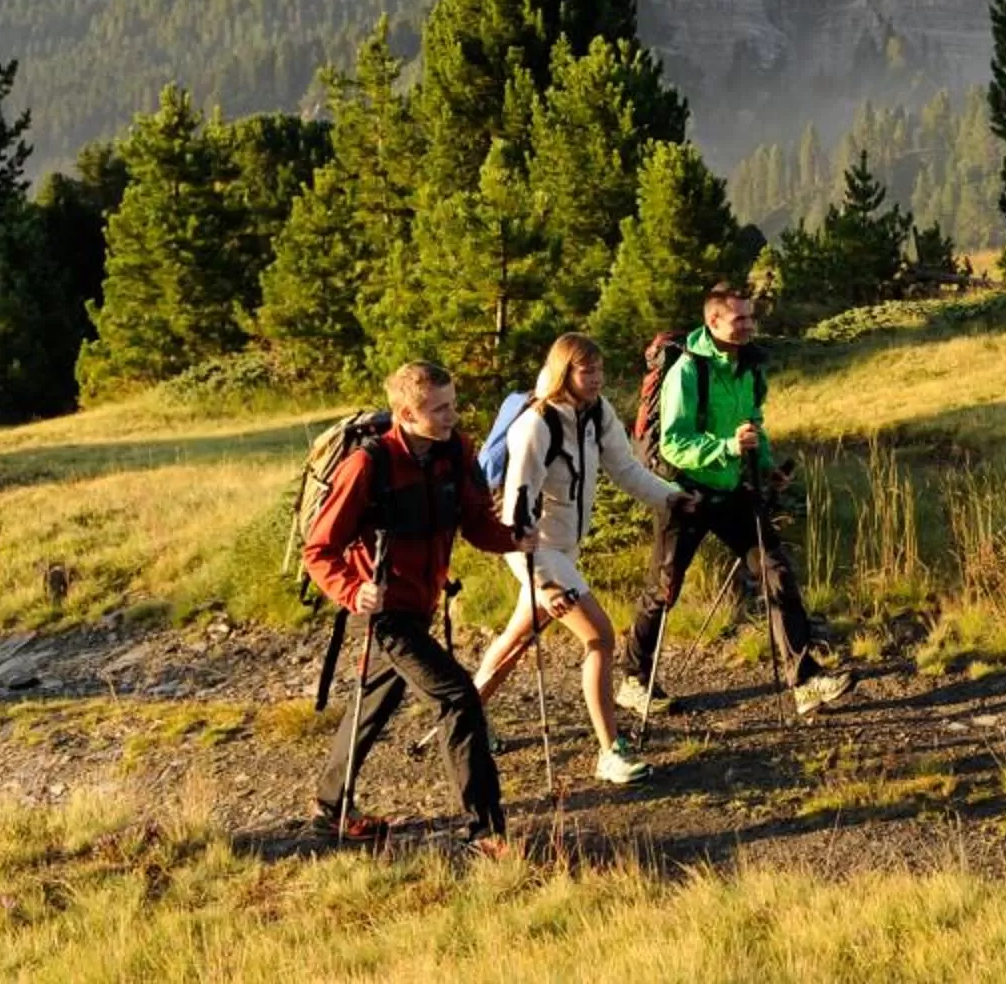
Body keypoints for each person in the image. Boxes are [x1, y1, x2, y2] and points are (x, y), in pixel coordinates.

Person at [302, 359, 523, 854]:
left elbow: (475, 524)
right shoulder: (367, 465)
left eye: (453, 404)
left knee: (375, 701)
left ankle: (329, 808)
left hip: (421, 603)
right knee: (457, 697)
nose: (452, 416)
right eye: (439, 409)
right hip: (382, 610)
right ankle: (485, 835)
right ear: (405, 412)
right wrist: (352, 590)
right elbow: (318, 549)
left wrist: (515, 539)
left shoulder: (456, 451)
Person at [619, 282, 854, 719]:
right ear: (714, 322)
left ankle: (804, 680)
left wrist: (765, 469)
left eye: (751, 316)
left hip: (732, 490)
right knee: (664, 588)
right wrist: (727, 447)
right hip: (683, 494)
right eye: (740, 318)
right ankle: (633, 677)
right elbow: (673, 444)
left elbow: (755, 425)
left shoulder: (749, 366)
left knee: (776, 572)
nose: (750, 325)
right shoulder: (688, 372)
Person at [470, 333, 684, 785]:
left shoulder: (597, 413)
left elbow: (625, 471)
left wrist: (675, 500)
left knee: (515, 640)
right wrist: (544, 581)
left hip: (564, 548)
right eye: (588, 371)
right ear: (564, 372)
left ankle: (465, 715)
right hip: (536, 553)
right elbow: (514, 514)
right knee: (601, 638)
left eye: (601, 370)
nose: (597, 379)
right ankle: (610, 751)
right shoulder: (536, 425)